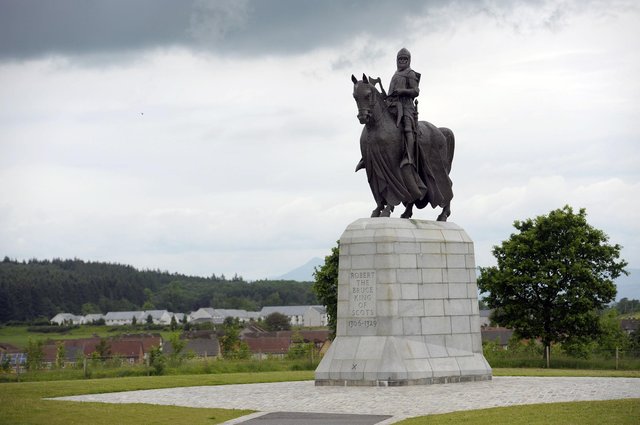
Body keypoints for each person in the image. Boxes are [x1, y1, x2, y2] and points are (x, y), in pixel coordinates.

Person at [387, 48, 420, 168]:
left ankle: (409, 156)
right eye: (400, 59)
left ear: (409, 60)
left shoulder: (410, 73)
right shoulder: (395, 75)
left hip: (406, 106)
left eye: (404, 59)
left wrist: (403, 91)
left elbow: (416, 91)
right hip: (392, 105)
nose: (402, 61)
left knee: (407, 126)